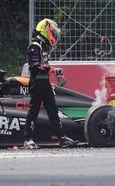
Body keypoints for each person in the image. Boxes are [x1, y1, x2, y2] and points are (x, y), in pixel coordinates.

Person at [24, 18, 75, 149]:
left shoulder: (44, 45)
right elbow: (34, 66)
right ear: (46, 30)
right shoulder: (35, 45)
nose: (55, 34)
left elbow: (44, 65)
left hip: (45, 82)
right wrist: (51, 69)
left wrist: (54, 72)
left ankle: (61, 137)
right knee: (33, 111)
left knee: (53, 109)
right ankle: (28, 139)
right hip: (36, 82)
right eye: (53, 31)